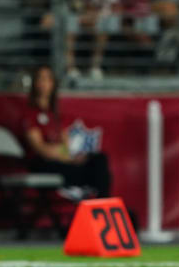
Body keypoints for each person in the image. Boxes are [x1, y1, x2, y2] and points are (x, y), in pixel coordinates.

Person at [20, 65, 113, 199]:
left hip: (61, 161)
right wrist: (64, 154)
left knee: (99, 160)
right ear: (34, 83)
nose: (44, 83)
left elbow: (66, 146)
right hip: (43, 165)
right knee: (94, 174)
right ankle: (101, 206)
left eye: (48, 79)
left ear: (53, 84)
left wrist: (68, 157)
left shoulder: (55, 115)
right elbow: (41, 149)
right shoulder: (30, 114)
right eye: (40, 78)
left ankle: (103, 204)